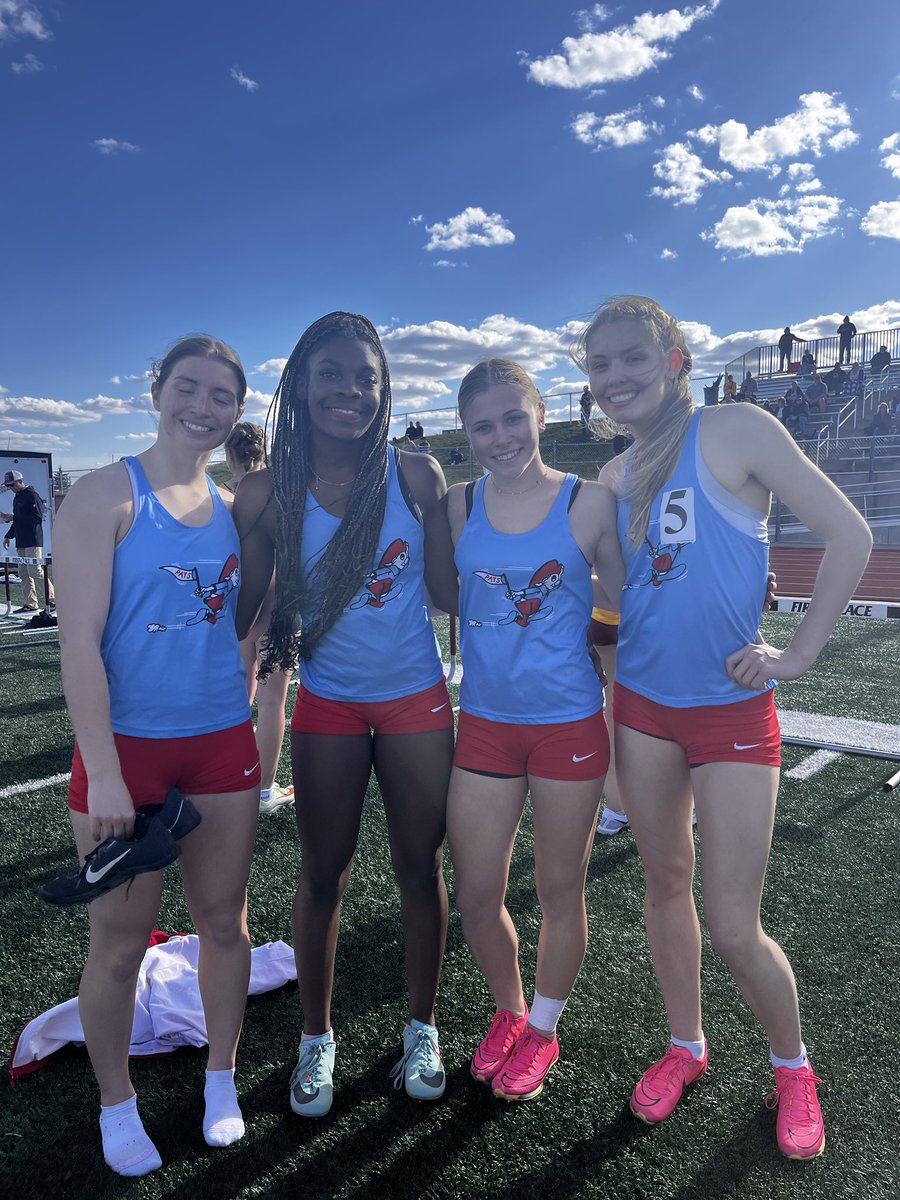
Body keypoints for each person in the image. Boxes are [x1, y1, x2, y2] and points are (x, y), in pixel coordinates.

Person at [575, 295, 871, 1161]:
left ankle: (793, 1068)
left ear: (675, 357)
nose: (614, 376)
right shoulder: (615, 479)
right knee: (664, 892)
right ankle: (686, 1047)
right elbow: (619, 603)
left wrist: (798, 657)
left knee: (735, 924)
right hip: (644, 713)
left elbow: (847, 536)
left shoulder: (733, 428)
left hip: (734, 710)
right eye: (598, 366)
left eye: (630, 357)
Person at [234, 312, 456, 1117]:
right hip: (327, 707)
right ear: (300, 384)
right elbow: (235, 615)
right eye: (331, 373)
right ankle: (315, 1040)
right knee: (322, 874)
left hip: (417, 705)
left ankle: (420, 1029)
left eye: (366, 377)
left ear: (383, 388)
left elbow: (449, 596)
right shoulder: (264, 493)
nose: (350, 391)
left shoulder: (418, 477)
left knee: (419, 869)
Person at [51, 336, 260, 1176]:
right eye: (189, 387)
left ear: (238, 411)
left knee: (225, 924)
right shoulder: (105, 493)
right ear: (158, 391)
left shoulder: (235, 505)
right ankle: (115, 1100)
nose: (203, 406)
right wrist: (101, 770)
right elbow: (78, 642)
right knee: (119, 941)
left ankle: (221, 1077)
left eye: (222, 396)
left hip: (221, 746)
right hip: (124, 755)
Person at [444, 358, 622, 1102]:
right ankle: (511, 1011)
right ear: (467, 434)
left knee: (558, 891)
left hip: (568, 728)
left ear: (542, 414)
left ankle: (544, 1031)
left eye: (513, 418)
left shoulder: (587, 503)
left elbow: (623, 604)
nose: (501, 436)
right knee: (476, 896)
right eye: (482, 426)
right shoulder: (457, 507)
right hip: (484, 724)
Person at [223, 422, 296, 816]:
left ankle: (229, 780)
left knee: (235, 699)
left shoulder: (224, 499)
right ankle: (264, 790)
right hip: (280, 608)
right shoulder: (282, 490)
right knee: (272, 703)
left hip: (239, 610)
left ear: (228, 455)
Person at [1, 469, 55, 612]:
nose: (10, 488)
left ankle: (53, 600)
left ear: (20, 481)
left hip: (33, 539)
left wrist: (13, 517)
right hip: (21, 540)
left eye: (12, 484)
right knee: (23, 573)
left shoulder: (31, 495)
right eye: (8, 485)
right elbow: (17, 521)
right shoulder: (17, 497)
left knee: (35, 572)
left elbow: (38, 517)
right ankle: (31, 604)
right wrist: (8, 535)